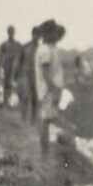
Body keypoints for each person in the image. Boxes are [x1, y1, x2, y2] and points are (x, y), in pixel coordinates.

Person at [34, 19, 66, 156]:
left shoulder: (49, 48)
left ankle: (47, 151)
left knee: (48, 120)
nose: (55, 34)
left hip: (50, 89)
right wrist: (53, 90)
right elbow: (46, 73)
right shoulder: (45, 50)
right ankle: (45, 152)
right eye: (53, 31)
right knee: (46, 121)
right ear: (48, 33)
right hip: (48, 90)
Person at [16, 27, 40, 124]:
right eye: (35, 35)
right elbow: (20, 61)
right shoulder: (25, 47)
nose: (36, 37)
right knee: (25, 97)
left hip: (37, 76)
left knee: (35, 98)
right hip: (26, 74)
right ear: (32, 35)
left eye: (38, 35)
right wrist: (18, 75)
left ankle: (33, 120)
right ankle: (23, 119)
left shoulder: (41, 48)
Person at [0, 26, 23, 106]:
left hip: (16, 68)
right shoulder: (4, 45)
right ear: (8, 33)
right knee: (6, 85)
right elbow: (1, 57)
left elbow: (22, 57)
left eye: (12, 32)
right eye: (10, 32)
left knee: (18, 85)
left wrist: (20, 67)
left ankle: (19, 101)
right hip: (7, 67)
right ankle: (6, 102)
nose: (11, 33)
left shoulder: (18, 45)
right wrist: (0, 68)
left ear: (14, 32)